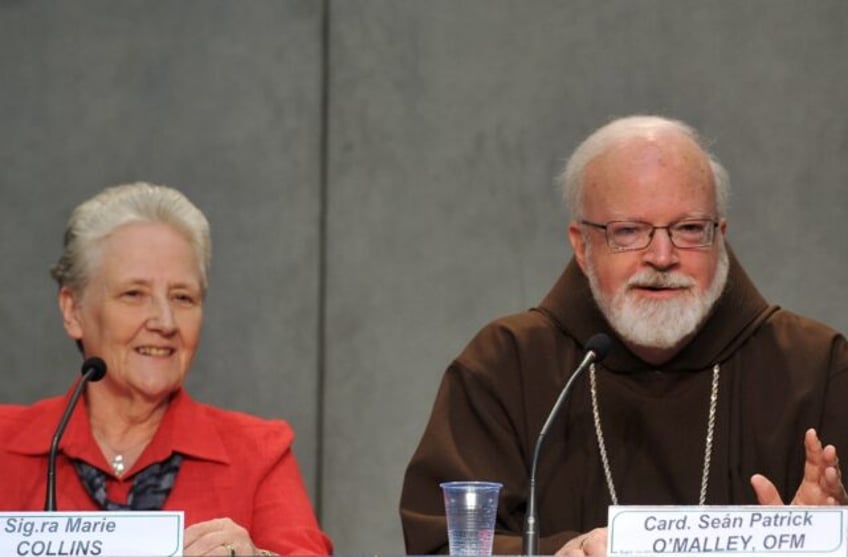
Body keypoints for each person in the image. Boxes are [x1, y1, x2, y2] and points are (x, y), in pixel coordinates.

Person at [399, 115, 848, 556]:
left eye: (689, 229)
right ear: (581, 245)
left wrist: (821, 541)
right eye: (629, 231)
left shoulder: (815, 366)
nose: (661, 255)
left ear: (720, 236)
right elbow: (442, 545)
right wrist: (565, 554)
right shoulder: (506, 365)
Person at [0, 182, 332, 556]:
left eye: (182, 297)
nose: (165, 321)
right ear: (72, 310)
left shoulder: (257, 453)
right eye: (134, 294)